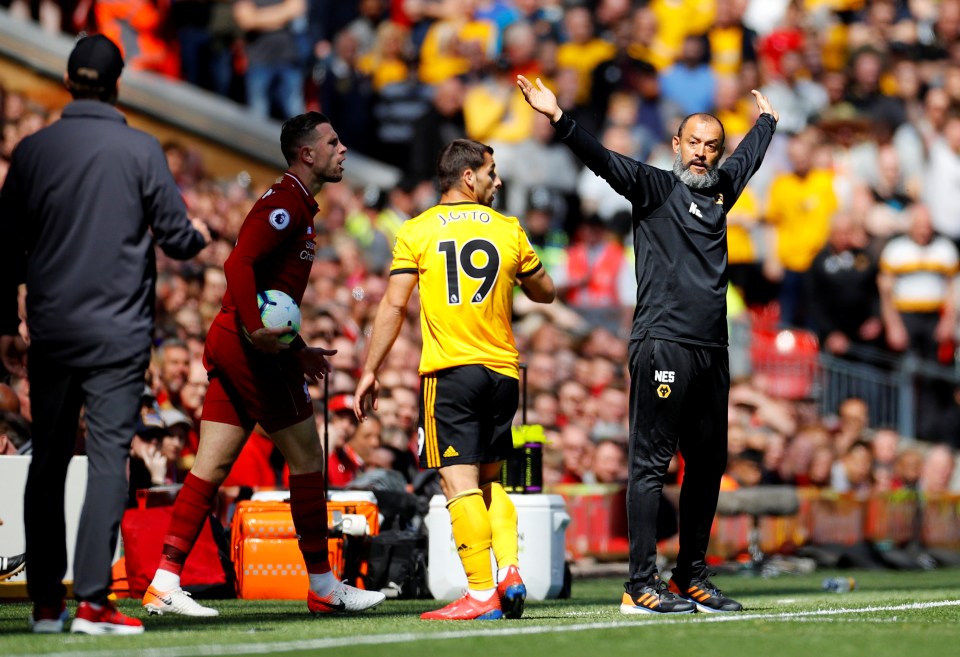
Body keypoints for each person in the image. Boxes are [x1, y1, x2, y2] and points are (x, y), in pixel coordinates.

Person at [518, 73, 779, 614]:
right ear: (676, 145)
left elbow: (747, 158)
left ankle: (690, 576)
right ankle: (639, 584)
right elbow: (603, 159)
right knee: (651, 464)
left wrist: (768, 122)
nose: (703, 154)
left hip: (713, 349)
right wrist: (558, 116)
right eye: (694, 143)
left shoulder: (723, 192)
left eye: (712, 146)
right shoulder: (655, 187)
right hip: (663, 344)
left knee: (707, 465)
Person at [0, 35, 211, 635]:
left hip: (51, 329)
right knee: (105, 461)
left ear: (68, 82)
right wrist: (197, 234)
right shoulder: (140, 148)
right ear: (118, 84)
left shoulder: (33, 150)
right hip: (117, 332)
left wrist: (3, 324)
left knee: (47, 465)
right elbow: (175, 238)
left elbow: (4, 247)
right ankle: (92, 599)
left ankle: (46, 605)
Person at [141, 111, 385, 618]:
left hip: (240, 343)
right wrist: (256, 329)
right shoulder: (284, 204)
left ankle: (163, 581)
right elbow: (238, 264)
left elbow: (271, 292)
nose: (343, 150)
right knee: (307, 459)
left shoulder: (299, 205)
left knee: (209, 467)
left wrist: (297, 350)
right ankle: (323, 585)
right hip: (249, 347)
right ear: (307, 153)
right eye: (333, 143)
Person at [353, 138, 556, 621]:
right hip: (504, 374)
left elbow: (394, 305)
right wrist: (521, 275)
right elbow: (546, 292)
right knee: (489, 484)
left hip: (451, 374)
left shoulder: (418, 230)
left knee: (457, 485)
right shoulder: (508, 228)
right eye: (491, 171)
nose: (497, 180)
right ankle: (508, 571)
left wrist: (369, 371)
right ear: (468, 177)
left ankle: (481, 592)